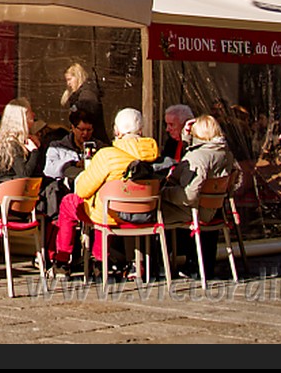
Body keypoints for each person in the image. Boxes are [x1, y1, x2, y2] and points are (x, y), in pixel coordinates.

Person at [48, 107, 159, 277]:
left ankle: (63, 262)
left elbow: (83, 190)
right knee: (103, 203)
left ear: (117, 131)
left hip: (112, 214)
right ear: (141, 131)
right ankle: (105, 262)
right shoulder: (155, 155)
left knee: (72, 202)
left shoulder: (107, 155)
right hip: (146, 213)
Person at [160, 114, 239, 279]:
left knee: (152, 210)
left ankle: (155, 265)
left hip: (196, 211)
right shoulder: (225, 153)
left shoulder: (198, 157)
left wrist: (163, 193)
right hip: (214, 209)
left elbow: (189, 195)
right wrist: (187, 139)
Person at [0, 99, 43, 182]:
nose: (33, 114)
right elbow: (24, 174)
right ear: (22, 117)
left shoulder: (9, 141)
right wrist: (34, 151)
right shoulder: (12, 144)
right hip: (12, 187)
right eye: (30, 111)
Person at [60, 62, 105, 135]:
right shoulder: (81, 95)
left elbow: (86, 119)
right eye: (67, 80)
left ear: (78, 77)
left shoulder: (87, 95)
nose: (68, 83)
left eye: (69, 79)